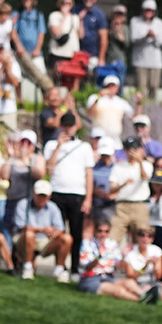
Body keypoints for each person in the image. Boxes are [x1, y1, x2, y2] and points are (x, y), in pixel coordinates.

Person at [43, 111, 93, 279]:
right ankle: (60, 266)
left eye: (71, 126)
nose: (68, 129)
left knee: (76, 232)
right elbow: (49, 169)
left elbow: (89, 173)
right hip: (57, 192)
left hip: (77, 193)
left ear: (75, 127)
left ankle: (74, 268)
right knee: (60, 232)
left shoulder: (84, 147)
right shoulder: (51, 144)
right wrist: (58, 146)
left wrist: (88, 198)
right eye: (65, 125)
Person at [14, 179, 72, 282]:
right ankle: (27, 268)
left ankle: (59, 270)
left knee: (67, 238)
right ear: (34, 193)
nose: (41, 199)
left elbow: (60, 228)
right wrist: (42, 230)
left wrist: (53, 233)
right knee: (29, 234)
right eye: (39, 195)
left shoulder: (53, 207)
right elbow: (22, 226)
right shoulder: (23, 204)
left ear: (49, 196)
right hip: (24, 239)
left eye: (44, 196)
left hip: (45, 241)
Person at [77, 218, 140, 299]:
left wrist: (126, 261)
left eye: (106, 231)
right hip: (90, 279)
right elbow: (87, 268)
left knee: (130, 283)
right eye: (100, 231)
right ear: (95, 231)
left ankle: (144, 294)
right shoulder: (87, 244)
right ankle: (141, 300)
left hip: (108, 277)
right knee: (118, 291)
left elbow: (118, 265)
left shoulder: (112, 244)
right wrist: (98, 257)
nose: (103, 234)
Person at [129, 0, 162, 100]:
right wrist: (145, 36)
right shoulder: (135, 21)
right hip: (140, 62)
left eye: (151, 10)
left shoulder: (160, 23)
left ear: (154, 12)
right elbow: (133, 39)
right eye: (146, 10)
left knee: (154, 88)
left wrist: (154, 37)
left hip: (156, 62)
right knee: (141, 89)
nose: (148, 12)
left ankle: (152, 110)